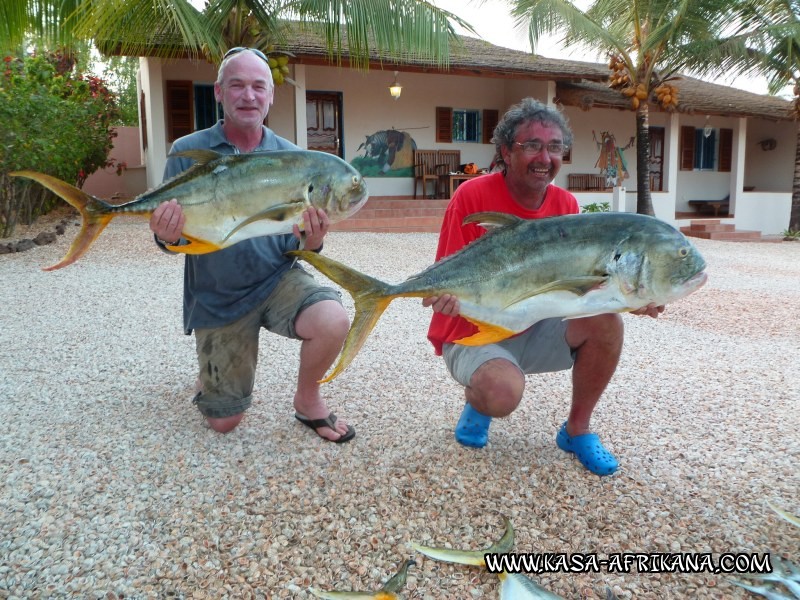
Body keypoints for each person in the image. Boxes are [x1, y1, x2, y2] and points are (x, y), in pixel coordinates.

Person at [423, 98, 663, 475]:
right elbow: (452, 274)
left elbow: (578, 288)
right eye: (531, 145)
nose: (544, 157)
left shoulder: (566, 203)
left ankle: (577, 430)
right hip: (472, 327)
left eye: (554, 147)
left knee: (607, 323)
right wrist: (444, 296)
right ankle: (480, 398)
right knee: (501, 393)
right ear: (505, 150)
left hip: (534, 320)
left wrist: (631, 298)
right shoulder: (471, 196)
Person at [148, 47, 354, 442]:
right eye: (237, 85)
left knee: (333, 319)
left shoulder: (293, 158)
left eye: (259, 86)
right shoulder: (186, 152)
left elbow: (301, 246)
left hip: (277, 280)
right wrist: (166, 236)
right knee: (224, 423)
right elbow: (170, 238)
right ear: (219, 93)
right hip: (218, 293)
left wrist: (314, 241)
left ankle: (308, 399)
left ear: (271, 95)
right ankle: (211, 370)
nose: (249, 95)